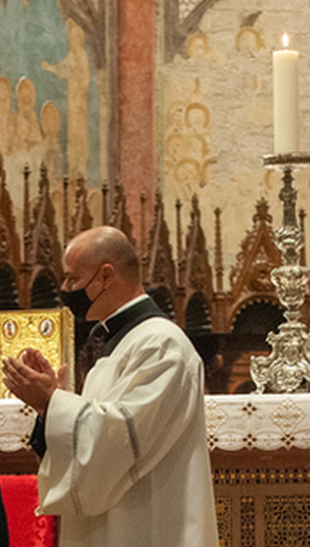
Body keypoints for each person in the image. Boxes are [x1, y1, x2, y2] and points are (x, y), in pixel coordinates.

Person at [1, 226, 219, 547]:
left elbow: (118, 438)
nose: (64, 288)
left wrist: (53, 403)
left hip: (147, 525)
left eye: (72, 279)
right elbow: (100, 439)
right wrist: (51, 407)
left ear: (105, 276)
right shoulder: (122, 344)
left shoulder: (160, 345)